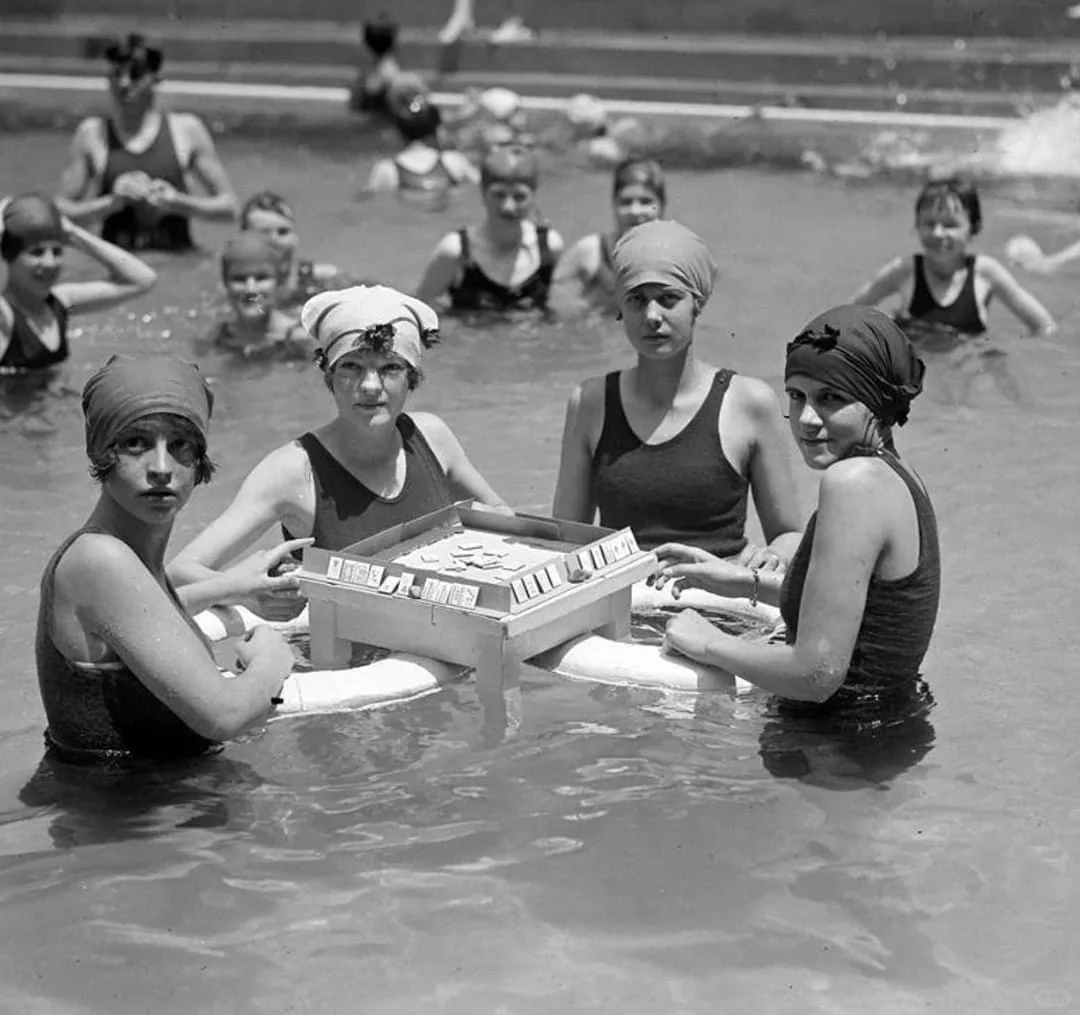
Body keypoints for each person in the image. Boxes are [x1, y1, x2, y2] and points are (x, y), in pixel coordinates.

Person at [656, 305, 940, 727]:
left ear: (877, 402)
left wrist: (708, 643)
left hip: (836, 749)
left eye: (831, 398)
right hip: (889, 733)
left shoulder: (852, 483)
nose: (806, 419)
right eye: (796, 395)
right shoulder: (896, 474)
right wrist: (742, 581)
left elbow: (815, 675)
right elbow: (868, 610)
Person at [169, 285, 509, 620]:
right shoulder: (293, 472)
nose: (370, 386)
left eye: (390, 368)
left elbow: (500, 515)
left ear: (412, 378)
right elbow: (180, 571)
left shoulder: (432, 438)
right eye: (351, 366)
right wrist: (243, 592)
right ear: (329, 377)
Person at [36, 354, 307, 766]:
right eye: (135, 443)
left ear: (199, 460)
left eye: (180, 445)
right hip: (135, 806)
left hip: (140, 796)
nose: (161, 468)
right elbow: (227, 717)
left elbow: (144, 618)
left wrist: (232, 587)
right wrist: (273, 658)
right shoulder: (101, 559)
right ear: (100, 452)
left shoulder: (128, 557)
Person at [552, 219, 803, 567]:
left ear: (697, 304)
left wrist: (772, 558)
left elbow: (789, 534)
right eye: (636, 300)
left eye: (668, 299)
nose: (652, 316)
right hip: (626, 593)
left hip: (722, 596)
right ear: (620, 308)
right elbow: (565, 539)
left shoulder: (749, 403)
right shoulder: (590, 403)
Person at [849, 177, 1056, 402]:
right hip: (914, 365)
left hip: (964, 364)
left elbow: (1044, 325)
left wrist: (1019, 350)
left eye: (950, 224)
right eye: (929, 223)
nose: (938, 233)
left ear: (973, 228)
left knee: (1003, 376)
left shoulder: (986, 272)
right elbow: (849, 314)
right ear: (917, 225)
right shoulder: (905, 270)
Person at [55, 34, 237, 252]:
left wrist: (178, 203)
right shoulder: (92, 133)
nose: (124, 83)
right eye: (116, 74)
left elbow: (229, 208)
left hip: (177, 260)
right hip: (119, 263)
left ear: (156, 79)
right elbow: (59, 213)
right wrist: (112, 203)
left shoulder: (187, 130)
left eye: (135, 74)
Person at [1, 193, 157, 375]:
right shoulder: (4, 315)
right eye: (36, 253)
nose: (50, 263)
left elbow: (143, 280)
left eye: (57, 252)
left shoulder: (60, 301)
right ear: (9, 256)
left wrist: (72, 233)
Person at [416, 147, 563, 313]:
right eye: (499, 195)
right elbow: (420, 308)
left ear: (533, 196)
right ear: (483, 193)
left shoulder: (549, 247)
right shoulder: (456, 251)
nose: (508, 207)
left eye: (519, 197)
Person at [552, 158, 667, 315]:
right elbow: (556, 308)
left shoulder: (680, 259)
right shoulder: (591, 251)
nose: (635, 211)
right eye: (626, 202)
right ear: (614, 205)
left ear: (661, 206)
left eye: (646, 202)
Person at [239, 191, 350, 309]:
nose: (275, 241)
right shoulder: (236, 291)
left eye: (283, 232)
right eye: (264, 233)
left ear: (295, 237)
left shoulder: (326, 281)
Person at [212, 233, 311, 361]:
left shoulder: (300, 339)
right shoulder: (217, 338)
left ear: (279, 282)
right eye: (239, 279)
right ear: (225, 284)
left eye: (261, 278)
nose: (250, 289)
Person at [366, 96, 479, 200]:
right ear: (437, 131)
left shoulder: (386, 169)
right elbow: (481, 187)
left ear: (399, 134)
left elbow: (369, 200)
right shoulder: (453, 161)